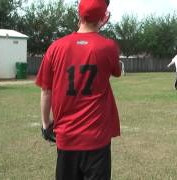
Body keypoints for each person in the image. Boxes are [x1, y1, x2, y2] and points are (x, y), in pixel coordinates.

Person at [35, 0, 121, 179]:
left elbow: (46, 91)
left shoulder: (55, 47)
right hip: (97, 138)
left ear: (79, 15)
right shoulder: (108, 46)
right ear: (103, 18)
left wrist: (45, 124)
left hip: (67, 137)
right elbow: (116, 71)